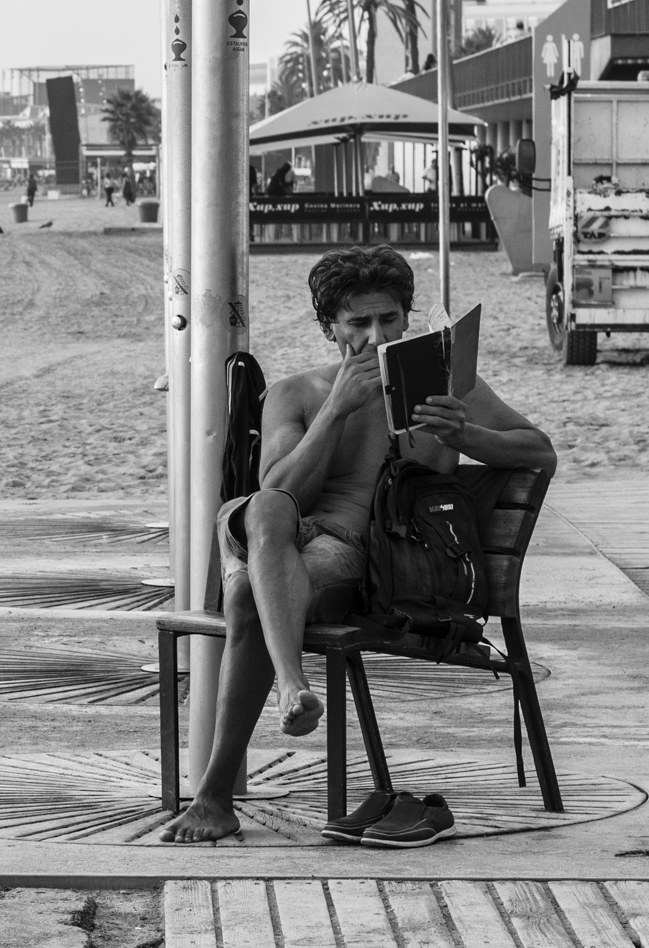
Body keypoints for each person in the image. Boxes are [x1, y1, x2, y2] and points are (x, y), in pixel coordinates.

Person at [158, 244, 556, 844]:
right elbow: (281, 489)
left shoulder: (441, 386)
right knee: (263, 508)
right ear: (329, 328)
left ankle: (217, 794)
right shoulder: (297, 393)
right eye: (358, 323)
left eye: (388, 319)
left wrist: (465, 433)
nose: (374, 337)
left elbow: (540, 451)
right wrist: (337, 410)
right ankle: (292, 686)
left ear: (406, 317)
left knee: (245, 602)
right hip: (273, 534)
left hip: (353, 556)